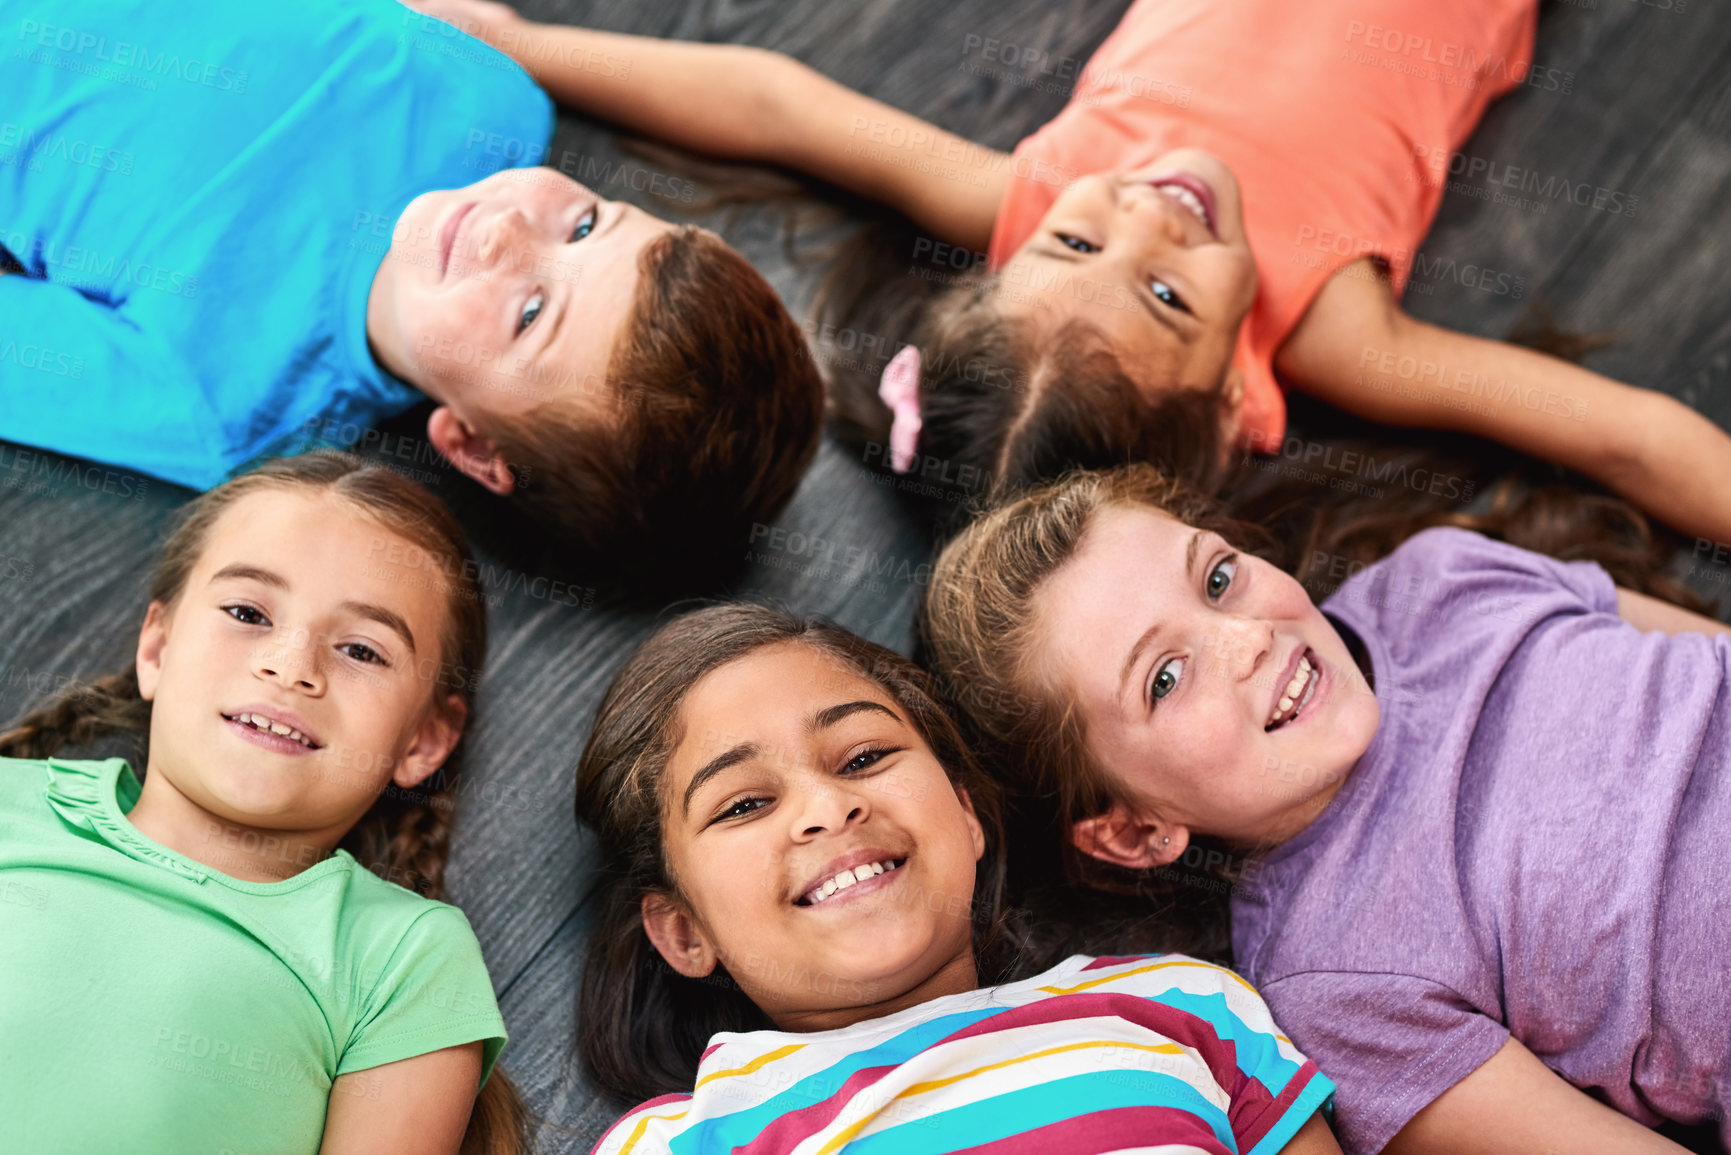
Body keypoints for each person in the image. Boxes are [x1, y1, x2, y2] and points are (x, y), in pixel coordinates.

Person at [412, 0, 1731, 545]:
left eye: (1077, 246)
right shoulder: (1326, 329)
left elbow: (781, 106)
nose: (1150, 217)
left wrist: (521, 38)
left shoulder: (1030, 197)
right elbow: (1629, 436)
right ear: (1225, 404)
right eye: (1167, 294)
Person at [921, 463, 1731, 1154]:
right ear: (1135, 831)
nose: (1246, 639)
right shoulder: (1333, 982)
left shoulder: (1442, 577)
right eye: (1165, 677)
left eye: (1215, 579)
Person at [0, 0, 822, 578]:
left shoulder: (216, 401)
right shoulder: (488, 94)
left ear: (471, 444)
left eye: (532, 313)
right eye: (584, 225)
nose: (508, 231)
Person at [573, 602, 1339, 1154]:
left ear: (966, 816)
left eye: (864, 756)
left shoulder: (1181, 1002)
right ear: (683, 930)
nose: (829, 806)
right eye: (744, 802)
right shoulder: (679, 1141)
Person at [0, 453, 526, 1154]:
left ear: (425, 739)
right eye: (247, 612)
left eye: (362, 651)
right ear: (155, 649)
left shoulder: (401, 955)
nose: (290, 665)